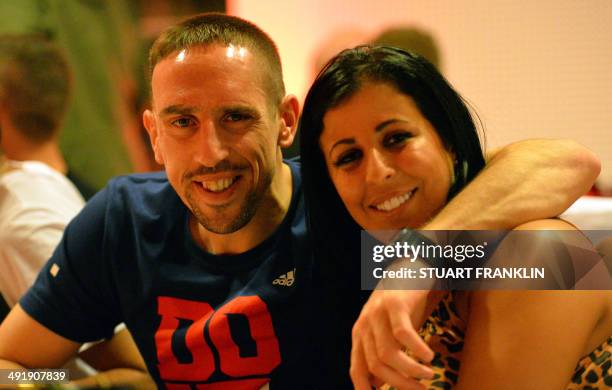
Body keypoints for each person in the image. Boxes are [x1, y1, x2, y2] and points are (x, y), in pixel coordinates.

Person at [0, 13, 600, 389]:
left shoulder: (376, 236)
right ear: (153, 133)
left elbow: (570, 169)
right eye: (182, 122)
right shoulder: (123, 222)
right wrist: (72, 383)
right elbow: (14, 363)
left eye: (236, 117)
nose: (377, 175)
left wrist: (416, 263)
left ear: (285, 122)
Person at [299, 45, 611, 389]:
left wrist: (418, 257)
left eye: (396, 138)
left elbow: (572, 161)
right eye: (349, 157)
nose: (377, 173)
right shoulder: (367, 273)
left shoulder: (541, 251)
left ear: (447, 139)